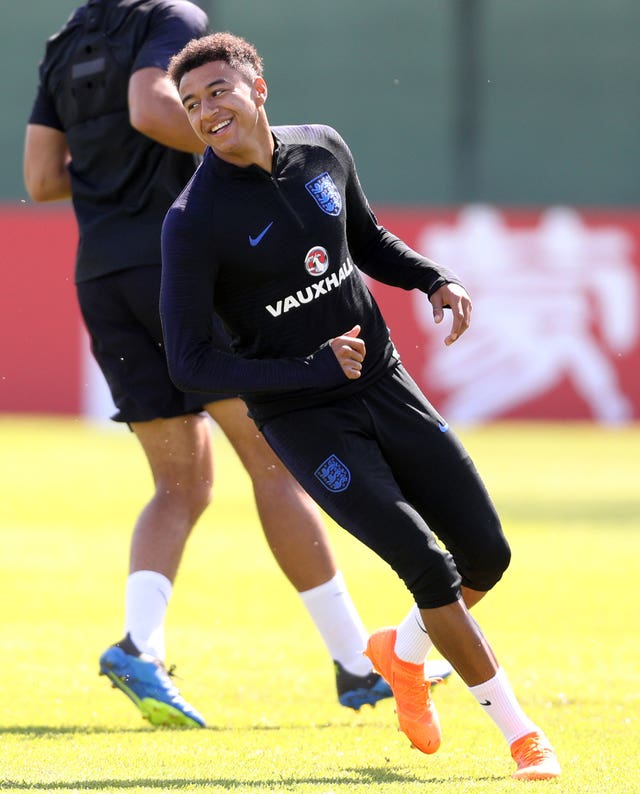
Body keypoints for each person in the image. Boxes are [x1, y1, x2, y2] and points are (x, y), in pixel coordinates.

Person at [23, 0, 452, 729]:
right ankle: (355, 664)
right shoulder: (171, 18)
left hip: (101, 277)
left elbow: (40, 178)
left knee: (180, 484)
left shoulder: (64, 42)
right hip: (177, 268)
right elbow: (147, 107)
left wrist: (107, 180)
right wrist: (225, 142)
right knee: (274, 463)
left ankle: (141, 647)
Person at [159, 31, 561, 781]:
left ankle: (401, 656)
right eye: (190, 104)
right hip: (304, 420)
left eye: (218, 91)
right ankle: (522, 735)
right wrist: (307, 366)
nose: (207, 111)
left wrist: (433, 277)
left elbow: (366, 240)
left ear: (258, 89)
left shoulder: (322, 150)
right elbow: (188, 364)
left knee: (488, 556)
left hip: (386, 384)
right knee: (429, 567)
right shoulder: (193, 221)